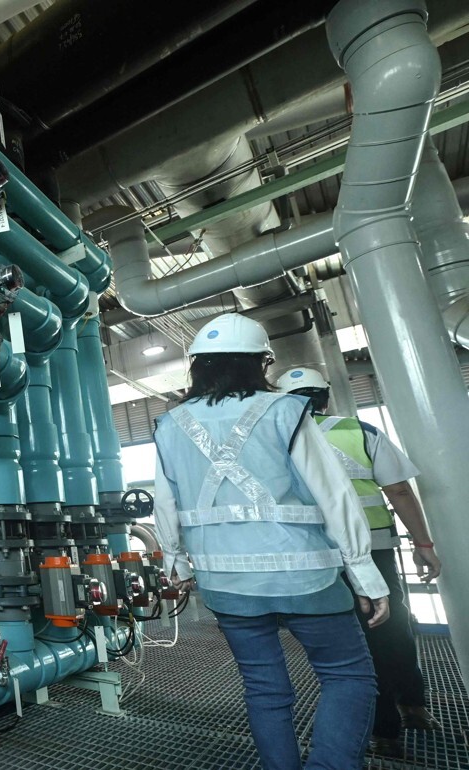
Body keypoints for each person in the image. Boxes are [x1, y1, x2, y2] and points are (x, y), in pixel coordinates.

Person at [153, 313, 389, 770]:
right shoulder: (286, 409)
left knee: (264, 687)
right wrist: (363, 570)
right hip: (308, 577)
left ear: (197, 366)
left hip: (226, 582)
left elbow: (166, 504)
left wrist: (176, 564)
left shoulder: (169, 425)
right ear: (261, 363)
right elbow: (333, 492)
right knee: (347, 677)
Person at [276, 366, 443, 756]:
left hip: (320, 554)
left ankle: (382, 732)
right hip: (376, 547)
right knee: (392, 627)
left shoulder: (281, 440)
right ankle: (414, 707)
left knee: (353, 643)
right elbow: (399, 490)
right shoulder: (360, 431)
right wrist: (423, 543)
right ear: (326, 396)